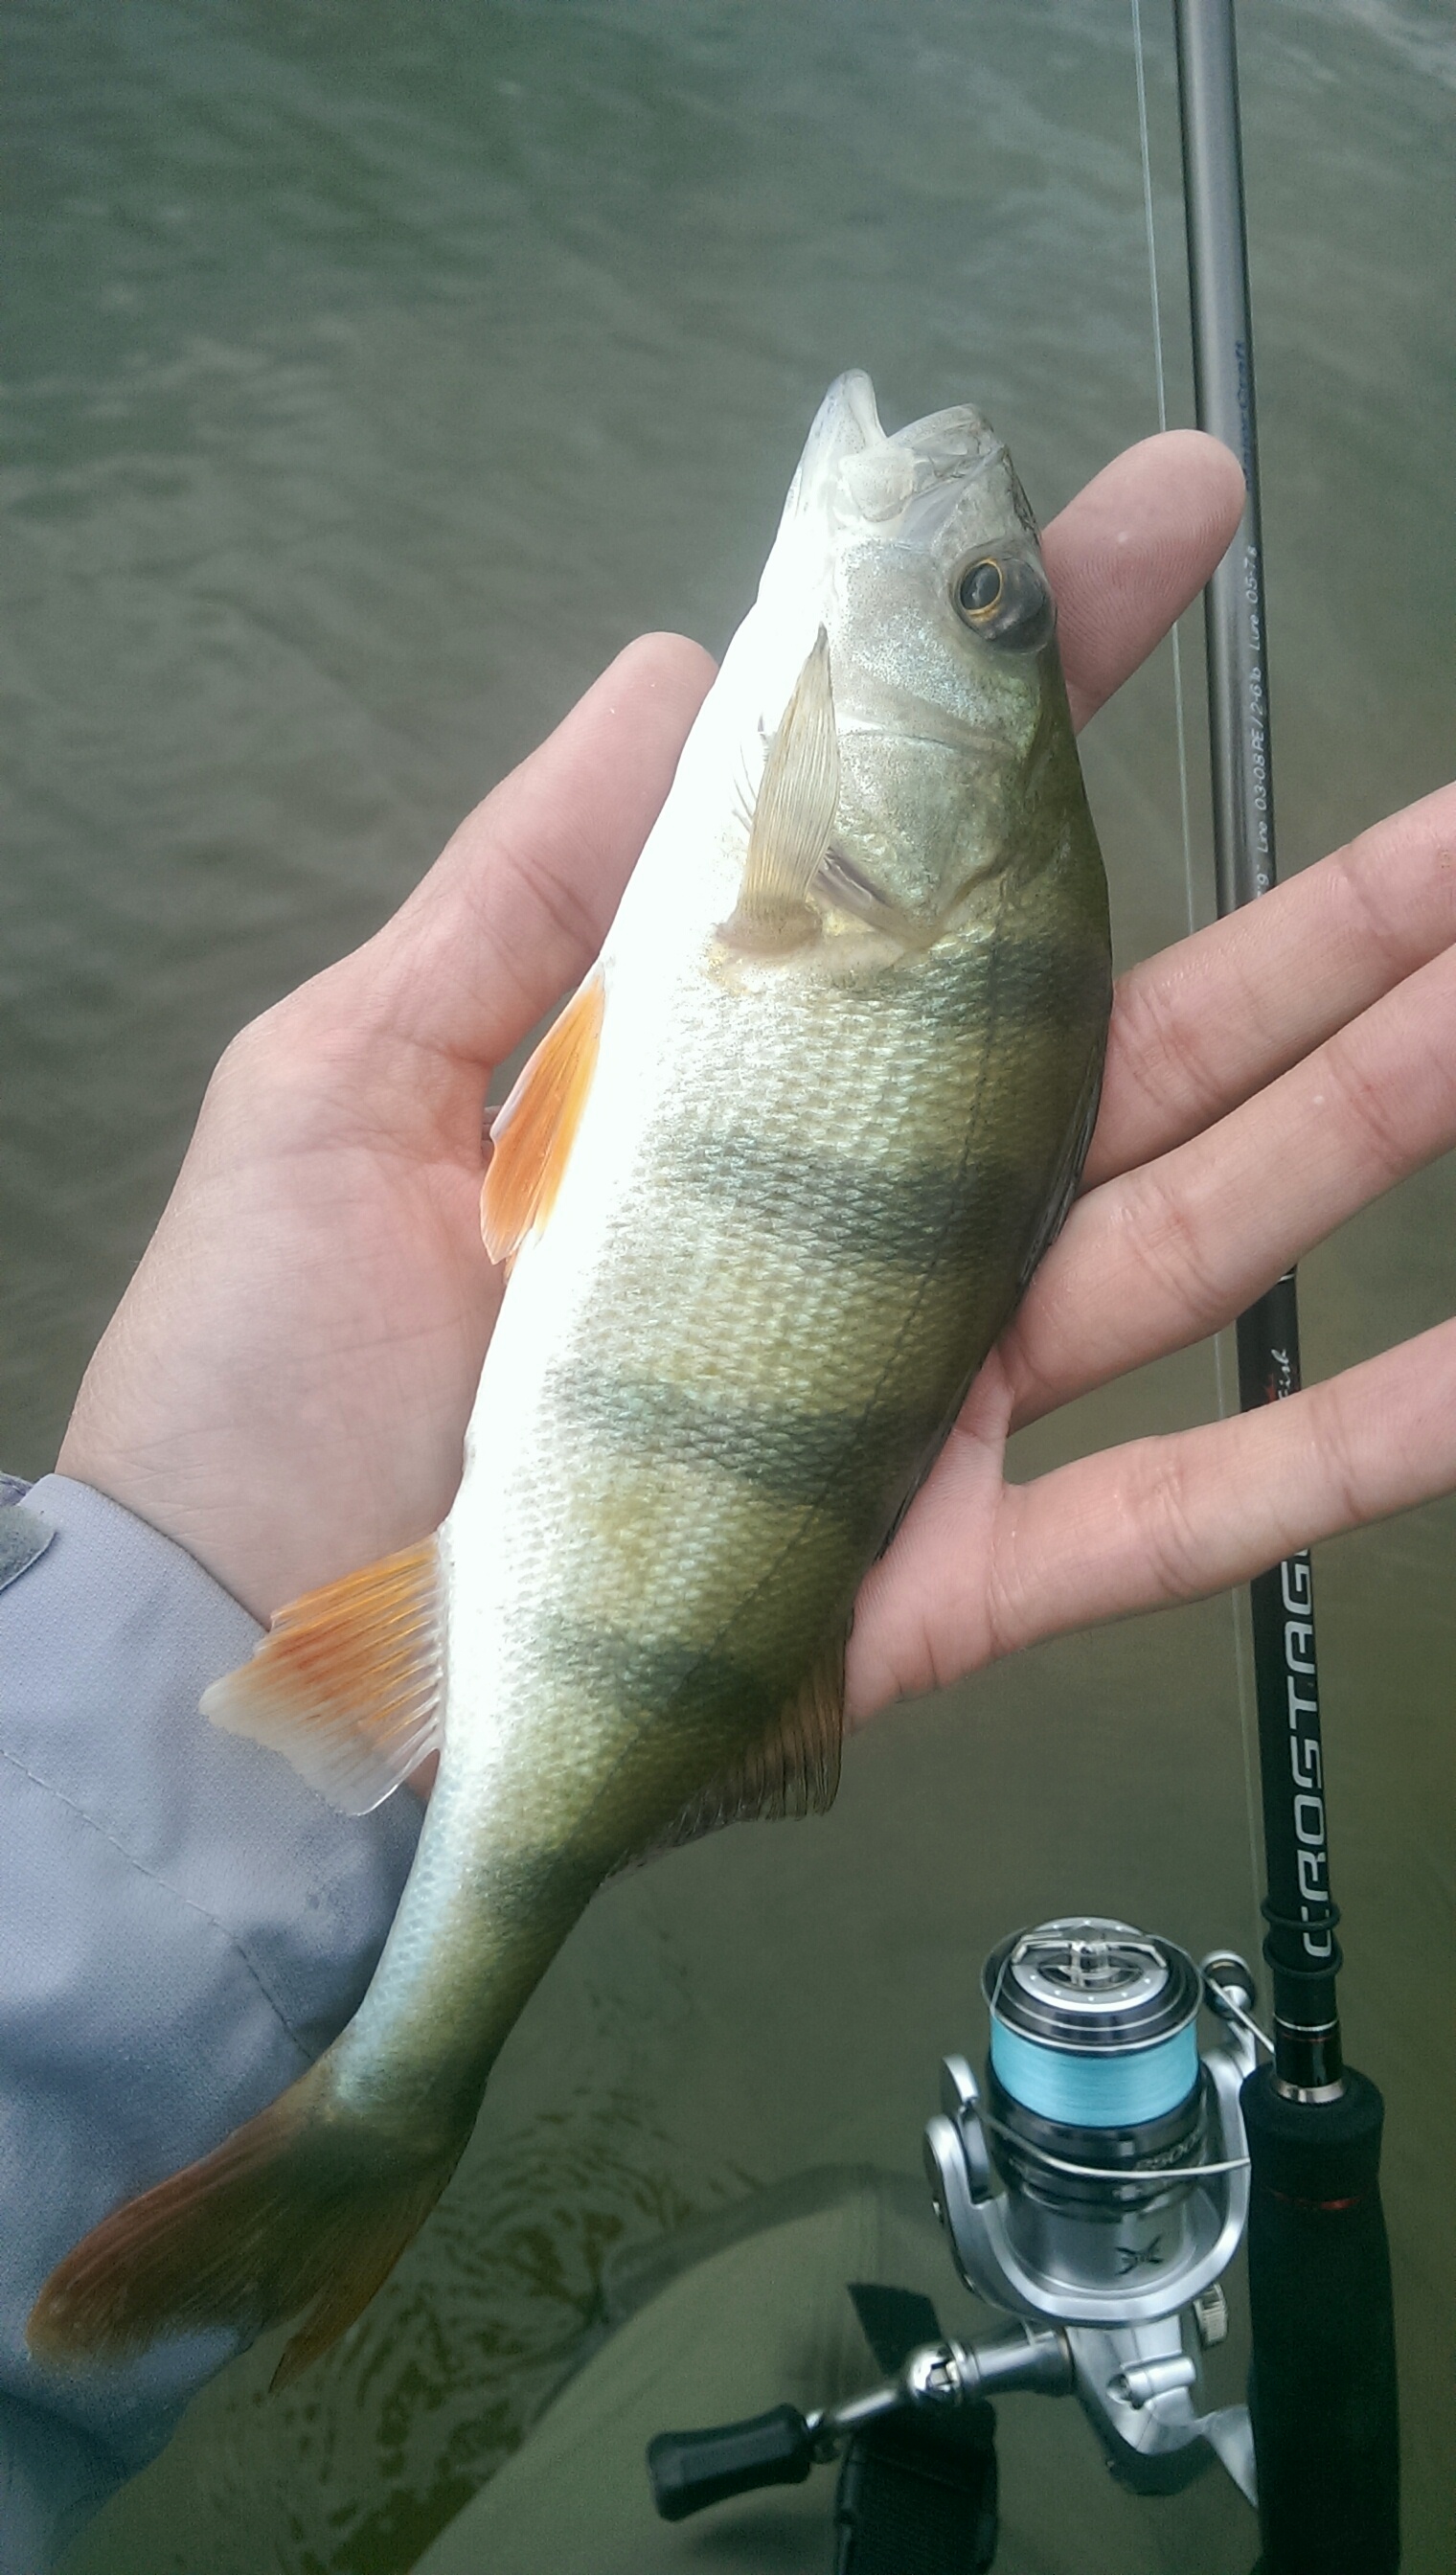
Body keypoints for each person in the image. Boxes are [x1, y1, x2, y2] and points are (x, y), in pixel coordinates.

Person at [2, 429, 1453, 2571]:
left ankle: (387, 2100)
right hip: (575, 1574)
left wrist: (166, 1642)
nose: (971, 559)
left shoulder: (820, 857)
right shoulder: (828, 859)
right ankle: (380, 2104)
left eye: (983, 610)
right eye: (994, 606)